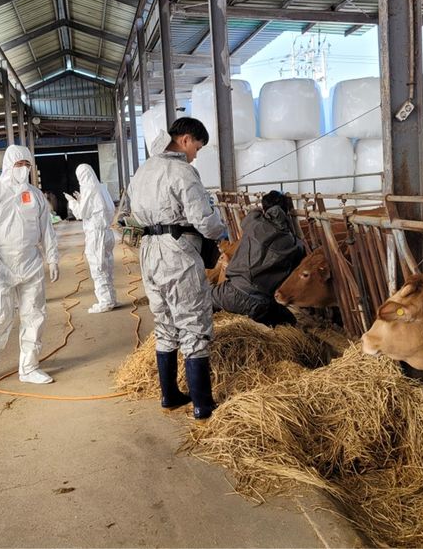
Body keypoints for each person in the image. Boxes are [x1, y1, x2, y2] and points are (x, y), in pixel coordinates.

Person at [126, 117, 227, 420]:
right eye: (197, 146)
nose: (196, 153)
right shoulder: (183, 171)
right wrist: (221, 231)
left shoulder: (142, 172)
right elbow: (203, 220)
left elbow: (129, 215)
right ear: (184, 140)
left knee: (165, 323)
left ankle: (169, 395)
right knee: (193, 321)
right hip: (177, 251)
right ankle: (202, 404)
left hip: (149, 252)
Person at [0, 145, 60, 384]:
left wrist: (52, 257)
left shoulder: (36, 195)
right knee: (0, 316)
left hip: (30, 262)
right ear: (9, 165)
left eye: (27, 165)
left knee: (34, 315)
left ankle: (29, 367)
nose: (23, 169)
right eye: (19, 164)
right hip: (0, 264)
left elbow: (46, 229)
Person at [211, 191, 305, 327]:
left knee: (201, 299)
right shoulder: (296, 245)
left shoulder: (253, 223)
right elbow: (298, 263)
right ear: (287, 212)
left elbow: (252, 214)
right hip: (261, 305)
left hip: (230, 294)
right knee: (290, 321)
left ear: (264, 209)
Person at [63, 164, 116, 313]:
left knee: (98, 268)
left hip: (96, 235)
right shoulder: (101, 187)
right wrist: (81, 199)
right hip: (107, 233)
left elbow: (81, 214)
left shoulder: (88, 189)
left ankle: (105, 302)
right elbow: (103, 208)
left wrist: (73, 202)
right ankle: (111, 298)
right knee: (108, 268)